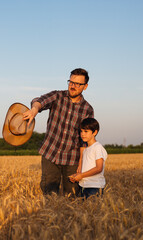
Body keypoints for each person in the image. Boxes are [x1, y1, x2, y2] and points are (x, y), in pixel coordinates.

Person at [23, 68, 94, 196]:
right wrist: (34, 110)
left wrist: (82, 163)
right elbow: (40, 100)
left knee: (72, 195)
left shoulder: (87, 109)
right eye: (71, 82)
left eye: (78, 84)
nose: (73, 86)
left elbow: (86, 140)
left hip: (72, 159)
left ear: (85, 86)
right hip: (50, 153)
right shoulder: (57, 96)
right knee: (49, 193)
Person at [69, 118, 107, 199]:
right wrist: (77, 176)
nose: (82, 134)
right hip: (84, 186)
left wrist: (81, 175)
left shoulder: (97, 147)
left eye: (86, 131)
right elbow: (86, 168)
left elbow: (98, 168)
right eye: (81, 131)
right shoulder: (86, 149)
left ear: (95, 132)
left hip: (94, 187)